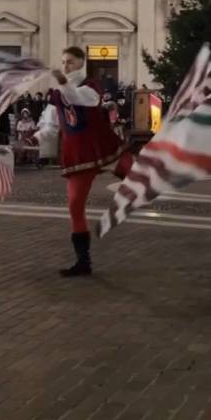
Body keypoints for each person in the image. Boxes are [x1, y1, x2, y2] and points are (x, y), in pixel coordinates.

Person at [51, 46, 130, 277]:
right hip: (77, 152)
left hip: (101, 145)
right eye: (64, 62)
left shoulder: (90, 86)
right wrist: (42, 134)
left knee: (140, 177)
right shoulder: (58, 90)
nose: (66, 66)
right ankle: (83, 261)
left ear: (81, 63)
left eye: (71, 62)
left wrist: (63, 83)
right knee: (75, 205)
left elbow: (80, 98)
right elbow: (56, 117)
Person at [34, 102, 60, 168]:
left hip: (52, 130)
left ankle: (46, 161)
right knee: (44, 148)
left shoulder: (56, 111)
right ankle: (42, 161)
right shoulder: (45, 113)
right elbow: (41, 121)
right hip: (45, 131)